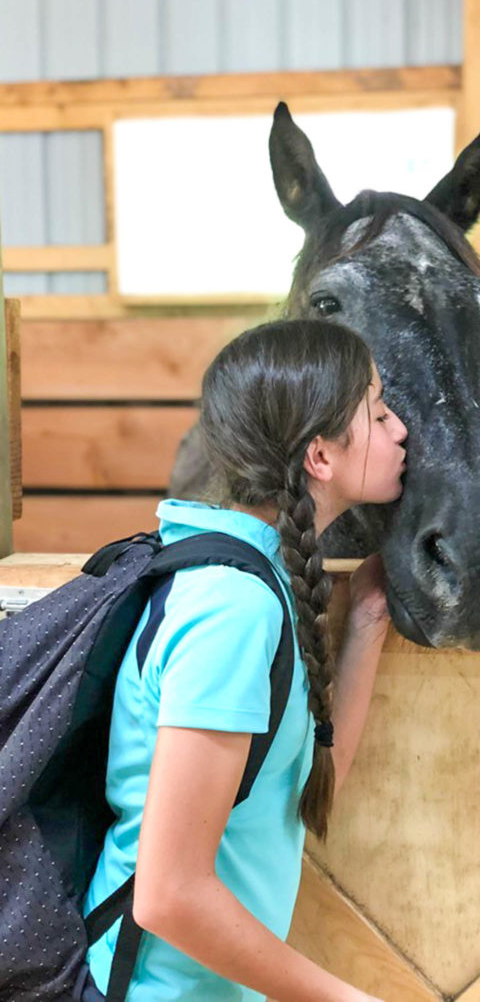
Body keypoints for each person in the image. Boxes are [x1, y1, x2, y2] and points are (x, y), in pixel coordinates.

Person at [78, 317, 409, 1001]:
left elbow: (296, 791)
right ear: (320, 456)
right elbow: (168, 895)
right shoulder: (232, 608)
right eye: (377, 413)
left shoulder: (261, 579)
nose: (400, 429)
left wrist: (370, 618)